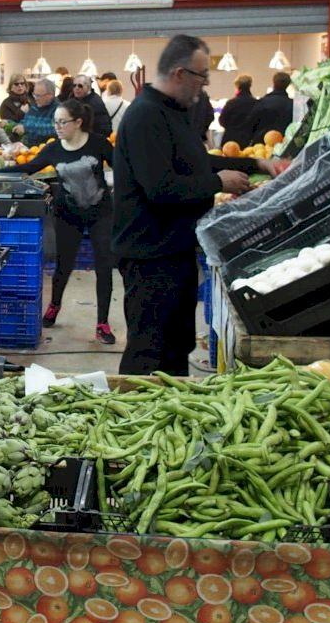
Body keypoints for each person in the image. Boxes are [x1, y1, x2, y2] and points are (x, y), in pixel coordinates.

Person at [112, 35, 275, 376]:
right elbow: (160, 188)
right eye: (202, 76)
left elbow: (198, 162)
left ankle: (170, 418)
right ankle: (135, 420)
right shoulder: (146, 116)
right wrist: (219, 184)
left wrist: (256, 166)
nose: (204, 85)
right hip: (150, 256)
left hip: (174, 250)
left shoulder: (172, 113)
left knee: (175, 346)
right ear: (179, 73)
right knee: (149, 352)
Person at [0, 99, 117, 344]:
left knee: (104, 266)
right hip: (67, 214)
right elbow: (30, 167)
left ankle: (102, 323)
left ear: (78, 122)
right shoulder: (53, 149)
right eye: (56, 122)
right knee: (63, 265)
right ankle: (54, 305)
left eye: (63, 122)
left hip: (101, 212)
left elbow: (122, 167)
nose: (58, 126)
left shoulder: (98, 144)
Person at [248, 71, 294, 145]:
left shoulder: (262, 102)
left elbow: (251, 122)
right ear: (288, 85)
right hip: (284, 144)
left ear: (273, 82)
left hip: (261, 144)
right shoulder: (292, 104)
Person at [218, 75, 259, 149]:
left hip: (229, 140)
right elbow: (258, 123)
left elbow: (222, 121)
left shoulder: (231, 103)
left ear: (237, 86)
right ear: (250, 85)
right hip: (248, 141)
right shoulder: (256, 103)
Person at [14, 78, 58, 144]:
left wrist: (27, 128)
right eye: (34, 94)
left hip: (48, 150)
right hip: (29, 150)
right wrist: (11, 124)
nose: (35, 98)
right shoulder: (34, 107)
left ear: (50, 95)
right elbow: (25, 122)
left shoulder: (59, 110)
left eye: (38, 95)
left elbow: (54, 129)